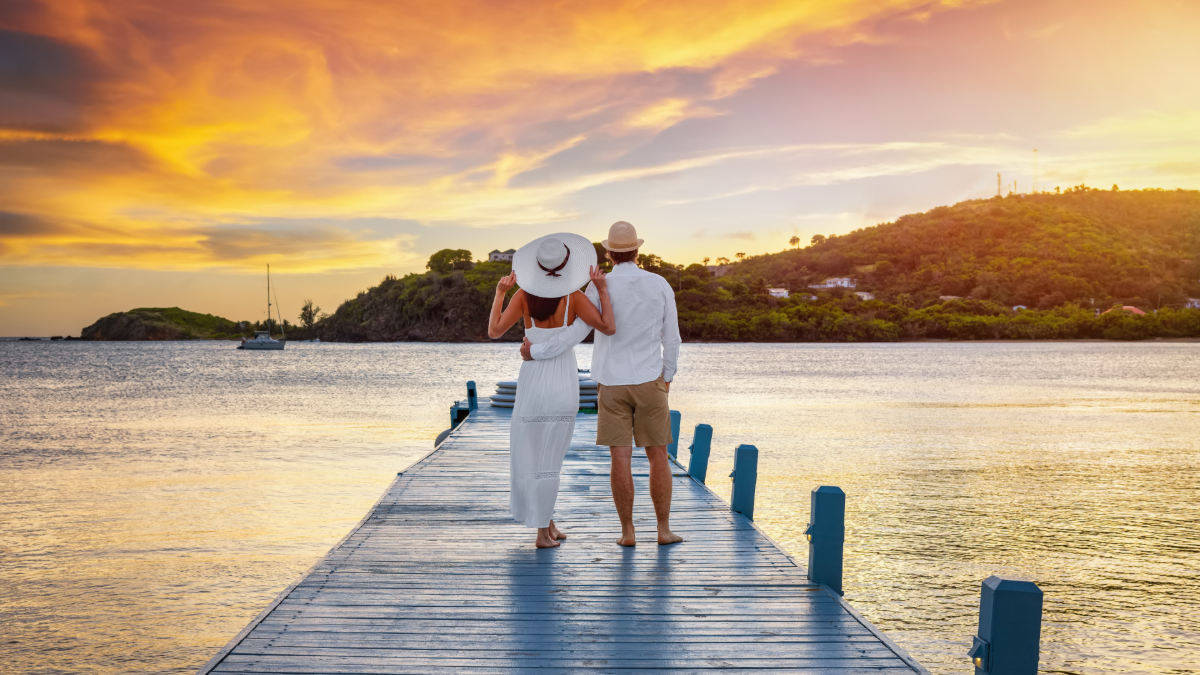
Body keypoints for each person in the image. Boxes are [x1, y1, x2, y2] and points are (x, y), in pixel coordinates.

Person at [521, 221, 683, 547]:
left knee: (619, 458)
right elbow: (673, 339)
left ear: (608, 253)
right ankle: (663, 531)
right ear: (638, 250)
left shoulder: (597, 288)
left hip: (611, 382)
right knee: (659, 456)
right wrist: (667, 377)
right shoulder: (660, 284)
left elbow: (576, 333)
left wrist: (536, 351)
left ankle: (628, 533)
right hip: (651, 379)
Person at [488, 234, 616, 548]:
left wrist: (499, 293)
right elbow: (608, 327)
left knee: (533, 454)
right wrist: (601, 289)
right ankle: (542, 534)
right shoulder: (574, 297)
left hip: (532, 379)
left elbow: (493, 331)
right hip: (561, 380)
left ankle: (547, 523)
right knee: (551, 459)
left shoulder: (522, 296)